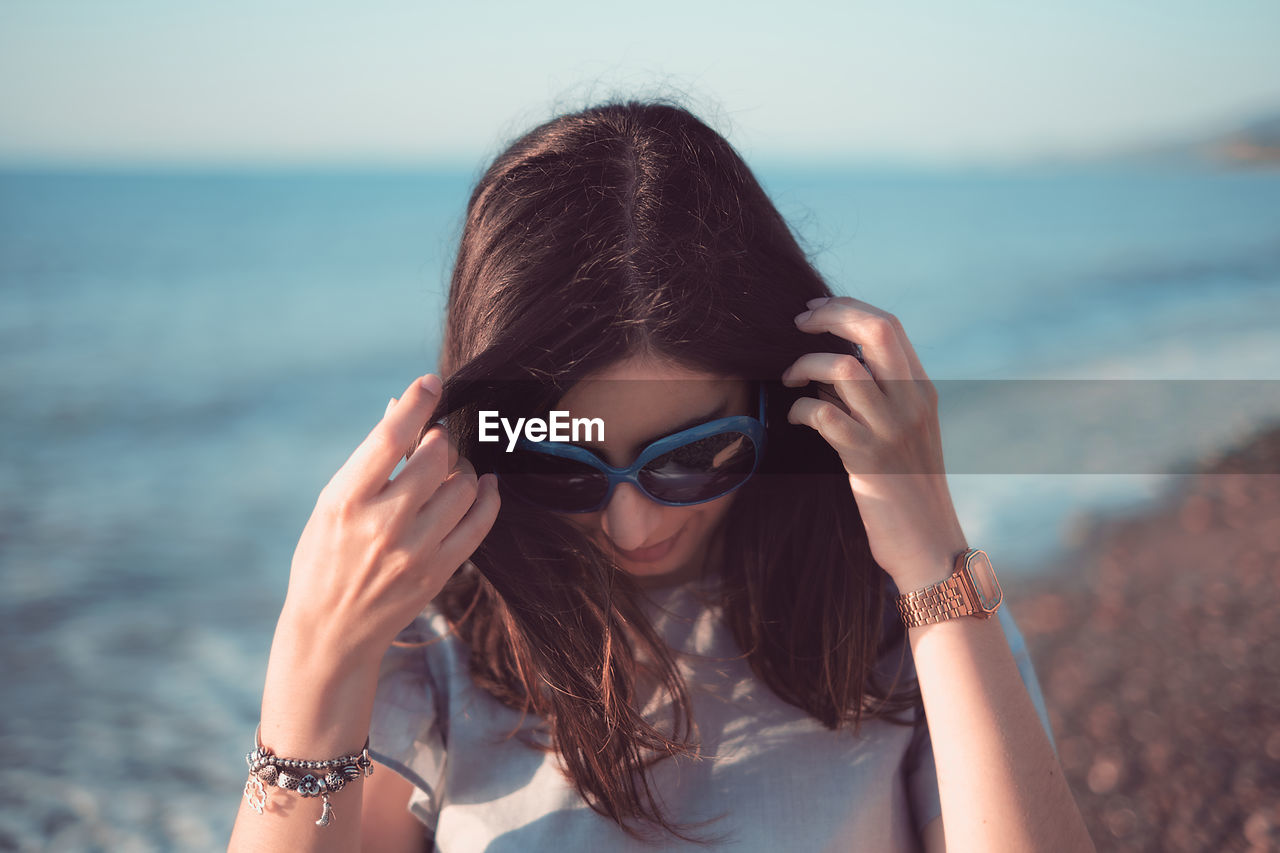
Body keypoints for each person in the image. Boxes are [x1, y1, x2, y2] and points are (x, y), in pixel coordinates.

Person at [228, 99, 1094, 852]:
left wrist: (932, 558)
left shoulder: (903, 614)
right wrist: (312, 658)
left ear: (774, 400)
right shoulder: (439, 651)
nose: (632, 525)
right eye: (563, 465)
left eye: (690, 455)